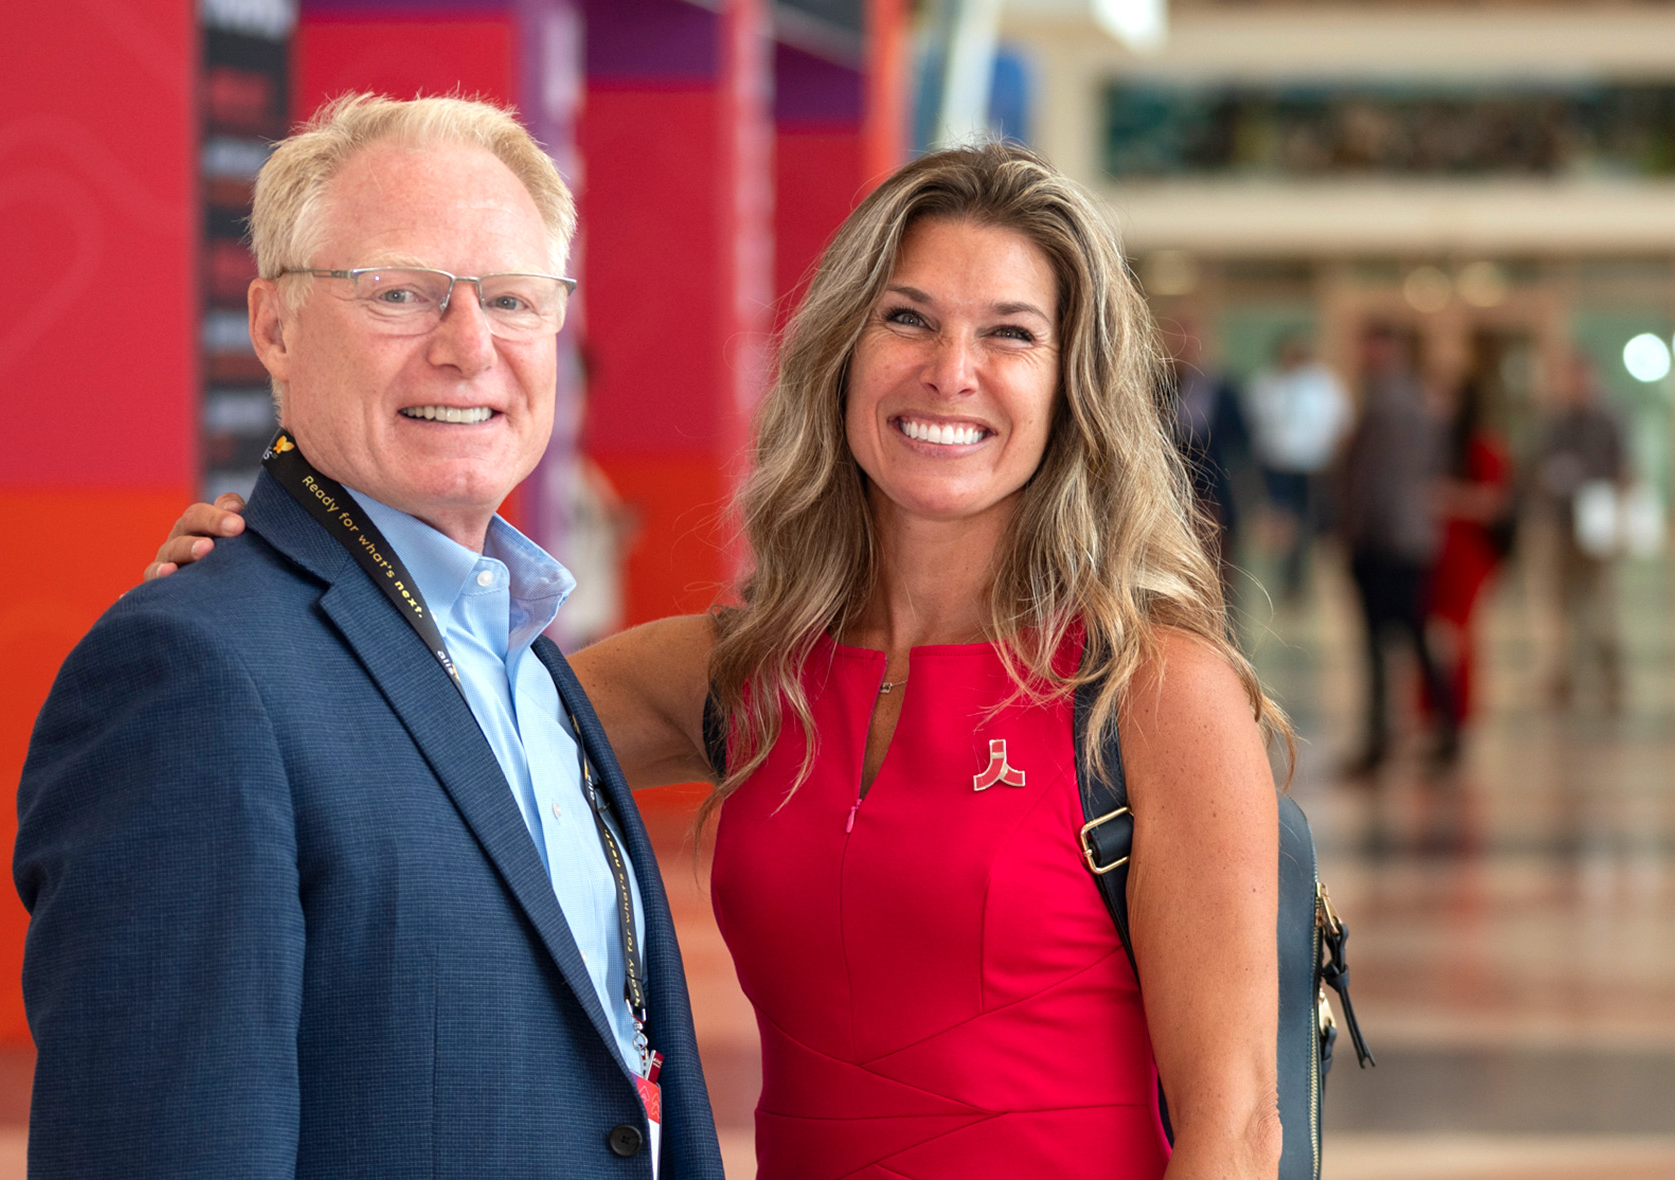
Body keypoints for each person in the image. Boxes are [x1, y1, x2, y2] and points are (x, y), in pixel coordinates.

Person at [157, 143, 1286, 1179]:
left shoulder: (1152, 692)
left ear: (1068, 388)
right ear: (843, 353)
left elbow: (1233, 1121)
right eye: (907, 319)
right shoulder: (745, 676)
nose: (950, 370)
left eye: (1009, 333)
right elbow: (420, 727)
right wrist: (267, 603)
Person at [17, 94, 721, 1178]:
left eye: (512, 300)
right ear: (272, 325)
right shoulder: (192, 674)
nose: (467, 347)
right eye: (399, 294)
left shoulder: (518, 650)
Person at [1335, 324, 1460, 769]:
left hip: (1385, 538)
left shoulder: (1387, 403)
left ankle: (1383, 739)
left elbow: (1374, 481)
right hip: (1411, 535)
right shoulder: (1418, 401)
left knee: (1381, 642)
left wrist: (1354, 532)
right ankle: (1443, 727)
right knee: (1412, 635)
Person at [1532, 354, 1630, 709]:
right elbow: (1539, 464)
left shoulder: (1609, 419)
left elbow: (1625, 469)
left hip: (1597, 521)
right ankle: (1564, 676)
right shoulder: (1558, 421)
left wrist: (1618, 517)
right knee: (1561, 605)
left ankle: (1612, 677)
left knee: (1602, 604)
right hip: (1561, 522)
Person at [1423, 374, 1514, 728]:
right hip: (1436, 548)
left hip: (1469, 550)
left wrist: (1447, 498)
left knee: (1459, 634)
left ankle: (1458, 707)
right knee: (1432, 631)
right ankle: (1432, 707)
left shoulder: (1482, 446)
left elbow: (1492, 503)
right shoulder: (1435, 444)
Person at [1245, 332, 1352, 602]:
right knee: (1282, 526)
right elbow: (1255, 424)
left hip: (1313, 467)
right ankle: (1284, 580)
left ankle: (1303, 581)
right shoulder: (1266, 383)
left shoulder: (1324, 384)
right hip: (1277, 466)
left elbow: (1340, 423)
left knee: (1310, 524)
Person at [1162, 319, 1253, 605]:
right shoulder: (1160, 383)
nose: (1186, 342)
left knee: (1221, 577)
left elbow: (1241, 444)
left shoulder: (1223, 388)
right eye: (1179, 335)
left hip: (1216, 494)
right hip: (1170, 493)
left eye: (1191, 333)